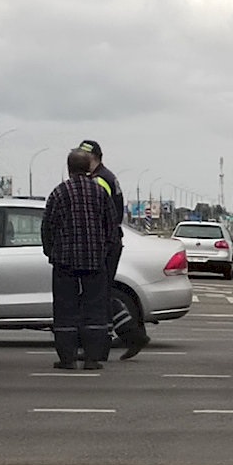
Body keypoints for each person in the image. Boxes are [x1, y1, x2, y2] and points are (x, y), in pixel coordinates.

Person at [40, 149, 119, 370]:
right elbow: (111, 226)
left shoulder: (59, 192)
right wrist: (105, 253)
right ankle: (92, 359)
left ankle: (67, 358)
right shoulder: (99, 192)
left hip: (65, 263)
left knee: (65, 310)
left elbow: (48, 226)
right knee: (95, 311)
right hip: (95, 262)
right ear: (88, 168)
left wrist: (51, 251)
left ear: (68, 168)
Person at [77, 139, 150, 361]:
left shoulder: (99, 181)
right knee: (103, 294)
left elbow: (96, 212)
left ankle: (121, 338)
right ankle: (128, 335)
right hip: (109, 242)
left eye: (84, 156)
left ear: (94, 158)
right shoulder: (106, 177)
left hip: (103, 244)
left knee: (97, 295)